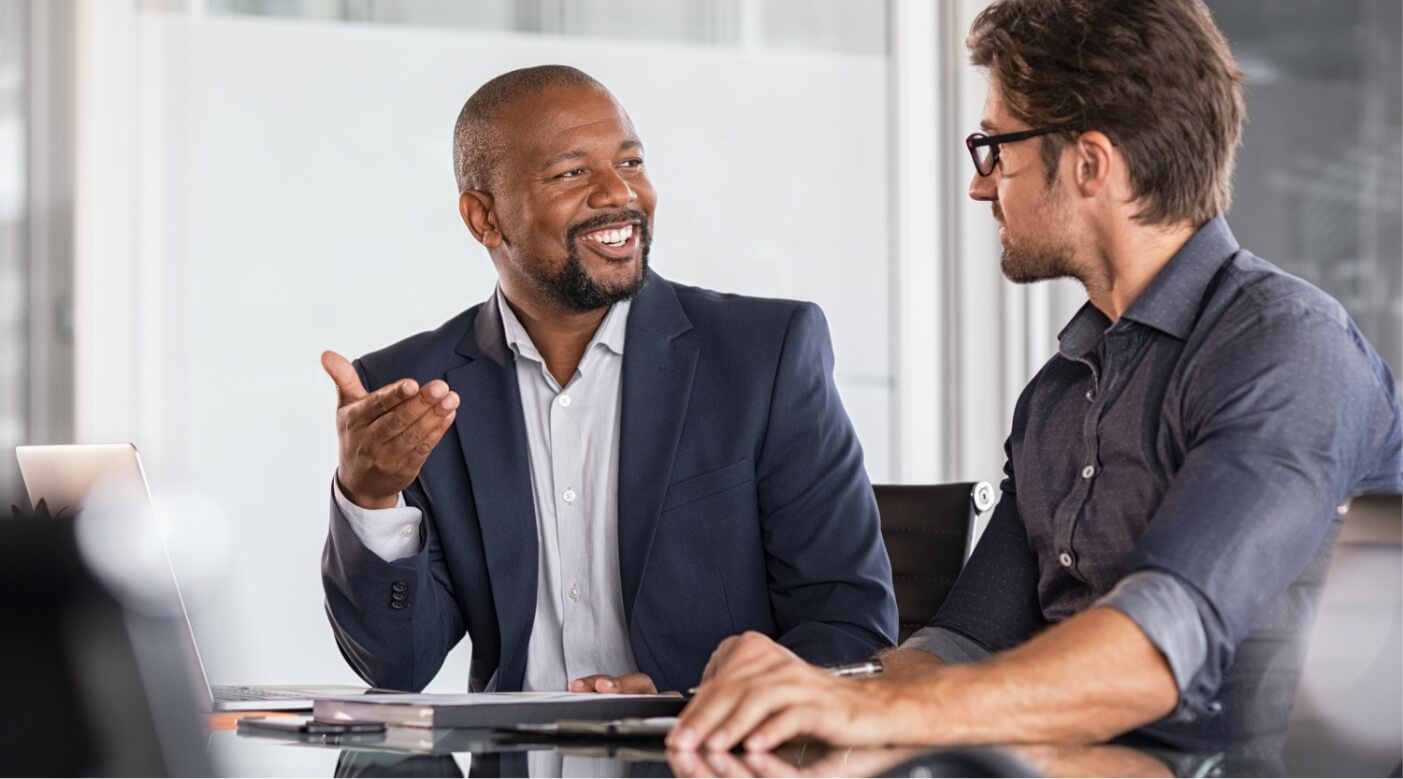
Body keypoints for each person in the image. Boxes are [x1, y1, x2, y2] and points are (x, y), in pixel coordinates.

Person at [669, 0, 1403, 760]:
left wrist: (872, 713)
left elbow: (1154, 650)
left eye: (994, 149)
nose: (979, 188)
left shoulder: (1285, 349)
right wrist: (781, 694)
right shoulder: (1056, 394)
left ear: (1090, 163)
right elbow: (960, 645)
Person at [319, 65, 897, 695]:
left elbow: (849, 628)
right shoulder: (413, 392)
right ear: (483, 218)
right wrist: (369, 499)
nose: (618, 193)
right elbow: (398, 666)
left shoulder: (764, 356)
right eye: (572, 172)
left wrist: (692, 705)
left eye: (630, 162)